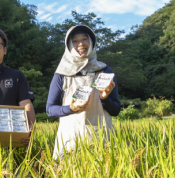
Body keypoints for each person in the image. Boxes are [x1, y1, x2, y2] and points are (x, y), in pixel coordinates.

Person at [46, 25, 121, 159]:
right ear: (69, 45)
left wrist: (104, 99)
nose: (80, 44)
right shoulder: (61, 74)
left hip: (101, 139)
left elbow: (115, 110)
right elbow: (50, 109)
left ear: (91, 42)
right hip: (70, 139)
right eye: (75, 40)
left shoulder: (105, 70)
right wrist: (71, 108)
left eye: (85, 39)